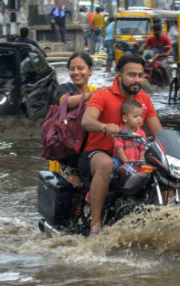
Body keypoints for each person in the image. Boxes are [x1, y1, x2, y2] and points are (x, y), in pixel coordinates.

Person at [79, 54, 162, 234]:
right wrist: (103, 127)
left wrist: (176, 143)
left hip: (132, 155)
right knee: (106, 163)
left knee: (163, 166)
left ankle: (156, 218)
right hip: (98, 152)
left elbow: (158, 132)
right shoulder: (103, 95)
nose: (137, 80)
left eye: (140, 75)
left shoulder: (144, 99)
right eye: (131, 75)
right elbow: (86, 121)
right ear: (119, 75)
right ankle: (95, 224)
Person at [49, 52, 98, 187]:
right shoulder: (63, 89)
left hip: (86, 154)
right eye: (72, 69)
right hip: (64, 160)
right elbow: (66, 102)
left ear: (90, 70)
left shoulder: (95, 91)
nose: (76, 72)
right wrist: (90, 97)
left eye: (80, 68)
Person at [113, 100, 147, 166]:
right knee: (113, 164)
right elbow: (119, 149)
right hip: (121, 160)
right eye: (135, 116)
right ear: (125, 118)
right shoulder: (120, 133)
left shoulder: (141, 133)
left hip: (135, 160)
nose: (139, 119)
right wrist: (126, 162)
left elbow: (142, 148)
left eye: (141, 116)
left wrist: (141, 160)